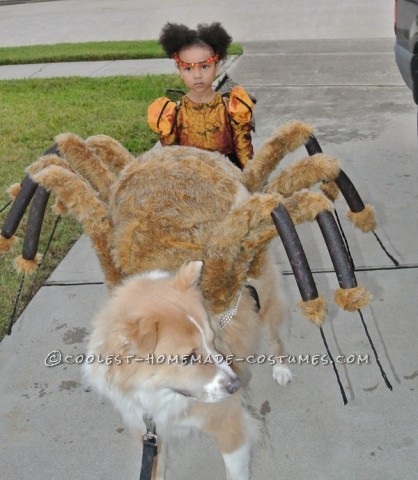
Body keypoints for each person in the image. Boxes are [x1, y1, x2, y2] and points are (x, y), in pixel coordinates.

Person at [147, 22, 254, 169]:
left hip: (228, 178)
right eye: (188, 69)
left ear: (217, 67)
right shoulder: (173, 114)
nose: (197, 75)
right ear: (180, 71)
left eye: (204, 66)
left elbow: (244, 150)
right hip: (191, 180)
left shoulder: (231, 108)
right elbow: (171, 159)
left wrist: (251, 181)